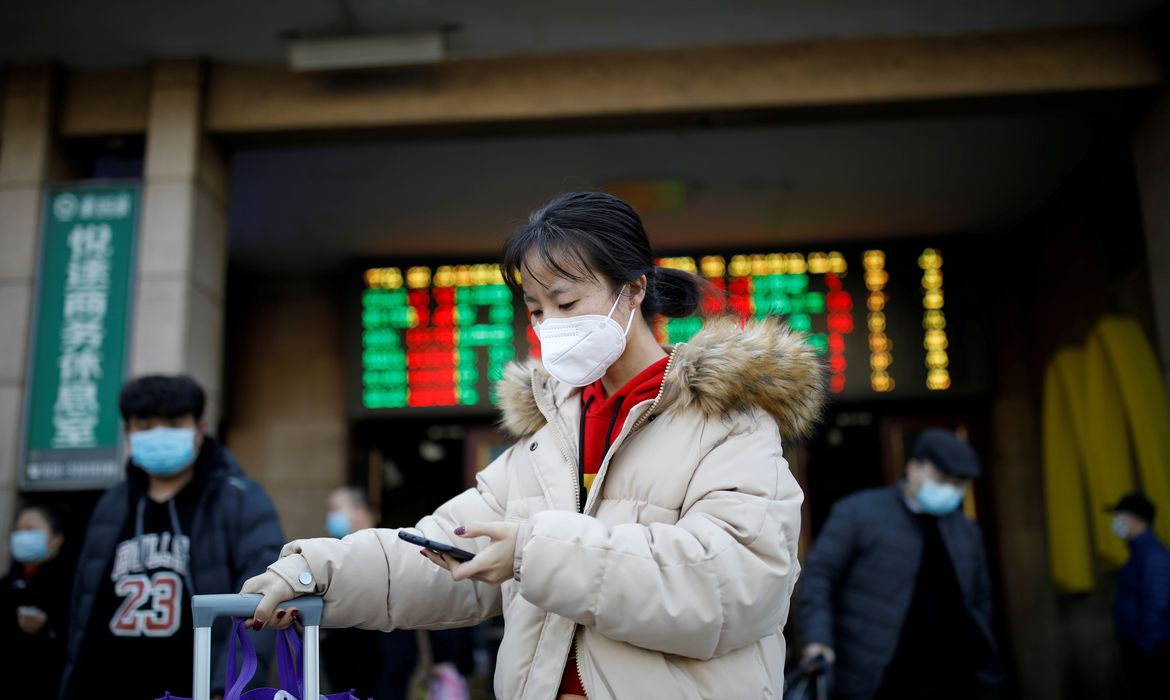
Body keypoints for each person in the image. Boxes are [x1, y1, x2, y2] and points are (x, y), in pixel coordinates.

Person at [241, 191, 826, 699]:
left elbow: (731, 588)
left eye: (567, 303)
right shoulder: (547, 441)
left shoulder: (730, 425)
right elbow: (441, 549)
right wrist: (315, 572)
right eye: (537, 309)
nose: (550, 326)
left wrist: (534, 552)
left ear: (634, 289)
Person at [59, 375, 285, 700]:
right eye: (146, 425)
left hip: (195, 688)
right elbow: (82, 607)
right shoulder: (111, 504)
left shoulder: (239, 499)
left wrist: (229, 689)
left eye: (174, 422)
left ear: (199, 428)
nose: (160, 434)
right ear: (127, 433)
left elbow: (263, 598)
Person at [796, 428, 1002, 700]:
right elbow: (818, 577)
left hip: (954, 676)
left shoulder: (966, 531)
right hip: (874, 675)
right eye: (942, 478)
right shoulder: (858, 513)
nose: (950, 489)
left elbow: (980, 600)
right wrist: (818, 640)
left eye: (958, 483)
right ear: (914, 467)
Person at [322, 486, 477, 700]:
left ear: (360, 512)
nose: (331, 517)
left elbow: (429, 594)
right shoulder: (333, 555)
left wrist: (444, 658)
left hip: (389, 666)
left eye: (336, 509)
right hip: (345, 667)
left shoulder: (392, 551)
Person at [2, 503, 73, 697]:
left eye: (30, 530)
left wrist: (48, 627)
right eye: (18, 530)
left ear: (56, 538)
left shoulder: (72, 580)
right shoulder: (10, 581)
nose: (22, 536)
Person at [1108, 492, 1170, 698]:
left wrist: (1144, 647)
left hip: (1152, 651)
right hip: (1141, 648)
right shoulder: (1139, 553)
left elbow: (1156, 605)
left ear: (1135, 518)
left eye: (1119, 516)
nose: (1115, 522)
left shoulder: (1153, 556)